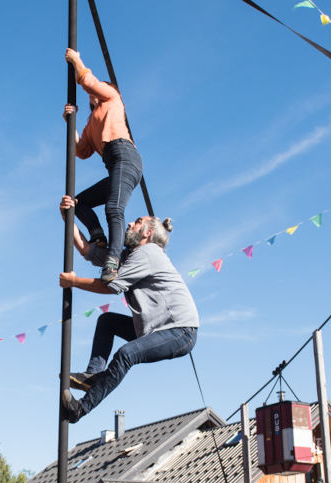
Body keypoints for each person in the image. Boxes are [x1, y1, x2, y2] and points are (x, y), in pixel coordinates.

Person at [59, 196, 200, 423]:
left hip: (179, 330)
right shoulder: (129, 256)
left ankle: (81, 409)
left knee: (126, 354)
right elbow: (89, 252)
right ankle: (94, 374)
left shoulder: (149, 252)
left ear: (147, 233)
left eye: (136, 222)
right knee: (107, 321)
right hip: (154, 328)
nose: (129, 224)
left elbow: (111, 286)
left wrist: (74, 282)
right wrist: (68, 218)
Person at [63, 48, 143, 282]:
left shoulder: (112, 98)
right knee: (80, 203)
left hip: (126, 157)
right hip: (114, 163)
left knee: (113, 209)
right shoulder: (91, 123)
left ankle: (112, 262)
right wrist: (71, 123)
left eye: (94, 92)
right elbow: (81, 151)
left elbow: (88, 81)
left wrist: (77, 60)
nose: (91, 95)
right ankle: (98, 236)